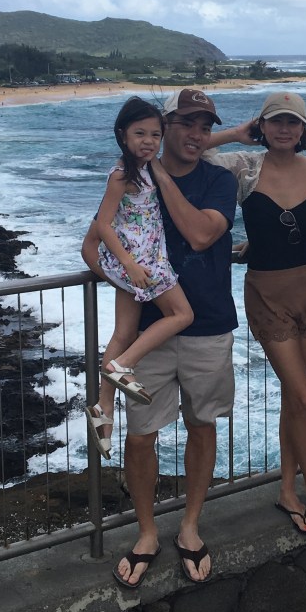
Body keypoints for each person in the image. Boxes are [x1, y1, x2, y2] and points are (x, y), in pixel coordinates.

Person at [82, 88, 237, 587]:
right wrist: (125, 275)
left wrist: (163, 174)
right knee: (141, 436)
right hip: (148, 332)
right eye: (186, 123)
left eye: (205, 127)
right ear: (164, 127)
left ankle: (190, 527)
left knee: (202, 426)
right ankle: (146, 533)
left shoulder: (218, 180)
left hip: (208, 326)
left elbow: (202, 235)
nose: (197, 134)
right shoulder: (130, 176)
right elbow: (93, 241)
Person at [207, 91, 306, 536]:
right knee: (303, 397)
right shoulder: (243, 168)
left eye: (292, 122)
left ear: (303, 129)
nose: (284, 129)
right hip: (267, 297)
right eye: (275, 121)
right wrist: (235, 134)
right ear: (262, 127)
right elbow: (190, 153)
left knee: (295, 397)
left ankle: (287, 490)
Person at [88, 98, 195, 461]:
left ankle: (102, 407)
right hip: (143, 262)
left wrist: (236, 135)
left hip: (145, 257)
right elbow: (103, 224)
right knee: (182, 314)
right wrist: (129, 265)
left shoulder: (147, 167)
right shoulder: (122, 174)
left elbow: (196, 142)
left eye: (155, 134)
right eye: (139, 134)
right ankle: (122, 366)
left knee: (123, 333)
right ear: (122, 135)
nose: (148, 141)